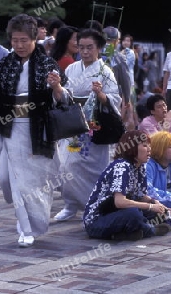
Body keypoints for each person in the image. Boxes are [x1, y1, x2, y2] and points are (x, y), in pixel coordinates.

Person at [0, 14, 68, 247]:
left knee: (33, 182)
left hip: (38, 130)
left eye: (24, 40)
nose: (19, 45)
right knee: (9, 179)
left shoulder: (47, 64)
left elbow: (62, 99)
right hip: (10, 129)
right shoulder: (5, 64)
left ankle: (28, 227)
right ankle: (25, 225)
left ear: (34, 39)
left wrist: (56, 86)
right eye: (15, 40)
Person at [53, 28, 122, 222]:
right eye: (81, 47)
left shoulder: (105, 71)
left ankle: (94, 205)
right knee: (66, 164)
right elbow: (63, 96)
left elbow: (115, 99)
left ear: (99, 47)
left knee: (92, 168)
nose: (85, 52)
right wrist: (57, 87)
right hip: (72, 123)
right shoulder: (71, 69)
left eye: (89, 47)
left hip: (94, 125)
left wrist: (101, 95)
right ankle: (70, 203)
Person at [83, 130, 171, 240]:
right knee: (133, 214)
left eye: (149, 146)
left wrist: (155, 203)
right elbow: (119, 202)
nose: (149, 149)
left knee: (160, 213)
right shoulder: (121, 166)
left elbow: (140, 196)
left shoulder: (140, 167)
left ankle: (125, 234)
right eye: (144, 146)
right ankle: (150, 230)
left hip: (117, 213)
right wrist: (150, 206)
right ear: (132, 148)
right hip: (98, 220)